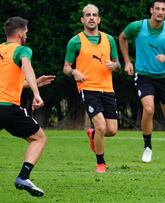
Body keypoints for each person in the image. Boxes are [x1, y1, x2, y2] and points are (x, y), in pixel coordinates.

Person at [119, 0, 165, 163]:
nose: (160, 12)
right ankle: (147, 147)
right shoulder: (137, 26)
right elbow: (122, 37)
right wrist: (127, 61)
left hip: (163, 77)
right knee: (148, 110)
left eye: (163, 9)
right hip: (143, 76)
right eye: (157, 9)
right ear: (151, 10)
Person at [0, 16, 54, 197]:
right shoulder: (22, 50)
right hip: (7, 109)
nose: (27, 36)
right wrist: (36, 94)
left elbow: (9, 82)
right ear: (21, 33)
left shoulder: (1, 50)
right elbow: (27, 67)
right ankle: (23, 177)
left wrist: (35, 83)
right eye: (27, 33)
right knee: (39, 138)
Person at [63, 4, 120, 173]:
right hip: (88, 88)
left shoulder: (109, 39)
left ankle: (92, 134)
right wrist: (74, 72)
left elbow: (117, 64)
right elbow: (66, 67)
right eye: (88, 15)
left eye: (94, 15)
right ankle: (101, 163)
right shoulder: (75, 41)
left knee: (111, 130)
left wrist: (114, 65)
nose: (91, 17)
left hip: (107, 89)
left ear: (99, 19)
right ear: (82, 19)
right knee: (101, 127)